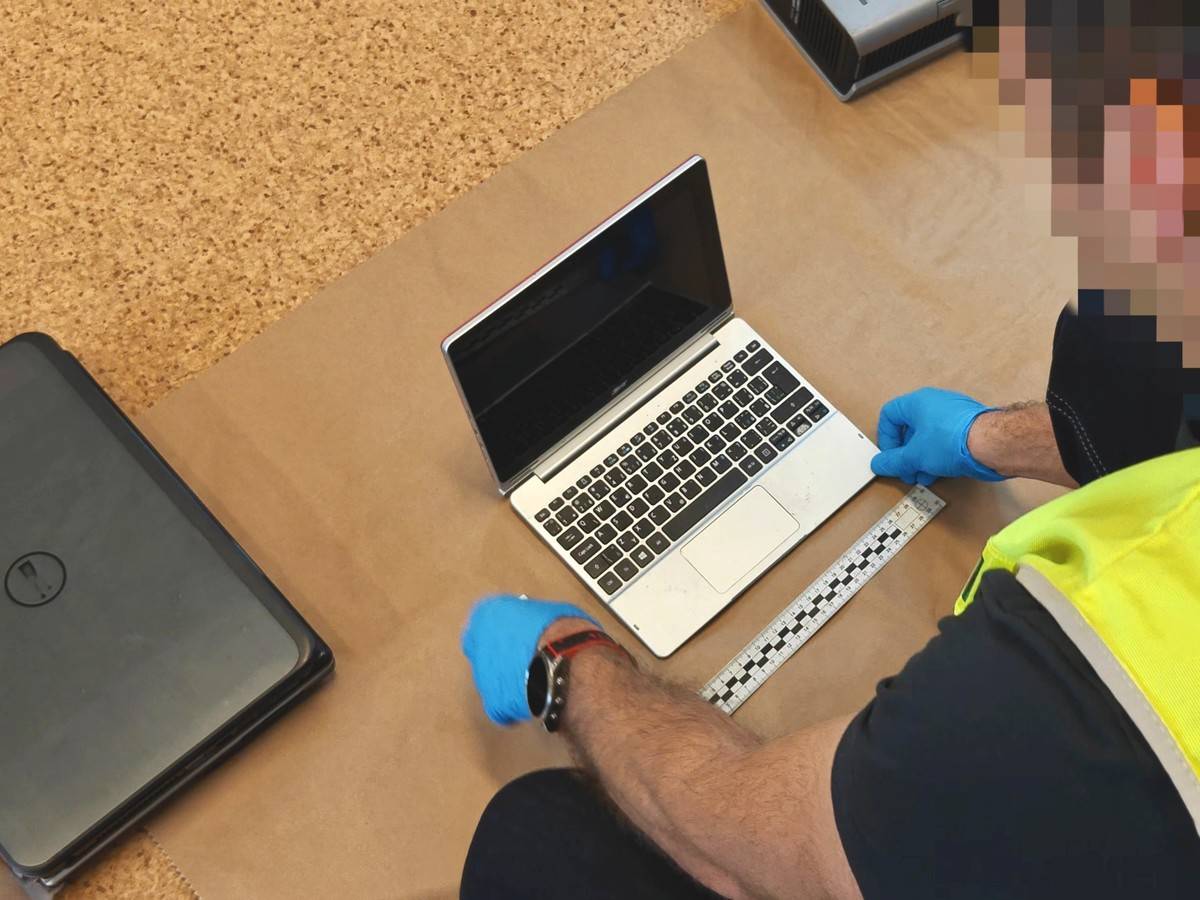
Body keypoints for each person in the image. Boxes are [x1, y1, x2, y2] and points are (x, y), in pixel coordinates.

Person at [459, 2, 1200, 897]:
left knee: (538, 840)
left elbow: (760, 837)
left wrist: (568, 666)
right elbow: (1165, 414)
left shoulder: (1089, 687)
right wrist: (995, 439)